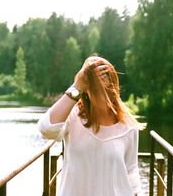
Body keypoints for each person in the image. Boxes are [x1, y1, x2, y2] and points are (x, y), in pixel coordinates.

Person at [37, 56, 142, 196]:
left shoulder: (128, 126)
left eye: (107, 86)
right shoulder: (73, 117)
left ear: (114, 87)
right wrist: (77, 86)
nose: (103, 94)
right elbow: (46, 129)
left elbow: (131, 172)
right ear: (86, 90)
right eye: (95, 87)